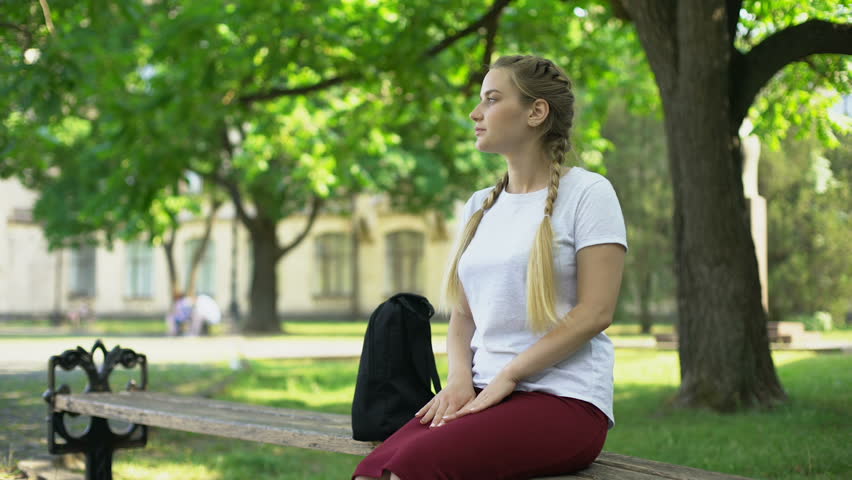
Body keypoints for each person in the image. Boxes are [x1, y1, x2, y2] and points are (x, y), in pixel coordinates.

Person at [353, 54, 627, 480]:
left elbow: (595, 313)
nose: (475, 113)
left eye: (492, 99)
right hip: (480, 393)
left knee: (411, 469)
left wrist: (510, 375)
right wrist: (459, 380)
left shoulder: (590, 193)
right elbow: (463, 314)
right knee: (374, 469)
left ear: (536, 112)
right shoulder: (480, 205)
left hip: (564, 401)